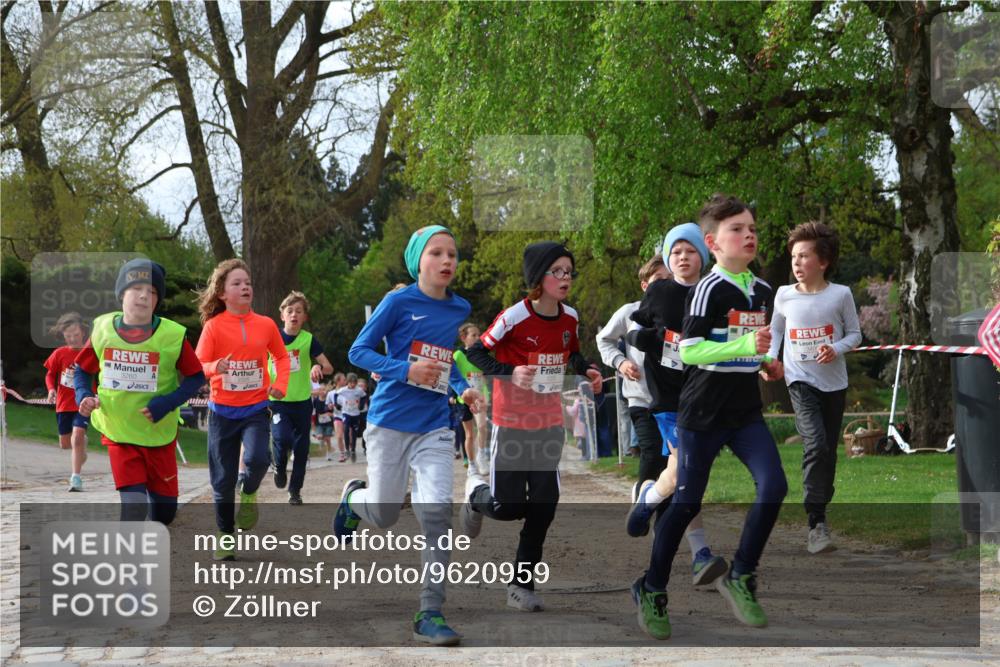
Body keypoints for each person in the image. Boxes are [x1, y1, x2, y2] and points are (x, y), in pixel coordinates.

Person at [631, 194, 787, 639]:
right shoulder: (706, 289)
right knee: (686, 503)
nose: (749, 235)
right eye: (738, 229)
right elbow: (692, 349)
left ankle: (741, 575)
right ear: (713, 243)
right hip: (701, 412)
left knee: (774, 484)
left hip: (744, 411)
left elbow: (752, 342)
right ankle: (653, 588)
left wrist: (766, 363)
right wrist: (745, 349)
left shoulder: (762, 290)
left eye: (752, 228)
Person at [333, 225, 482, 646]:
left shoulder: (458, 309)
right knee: (384, 515)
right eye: (436, 253)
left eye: (452, 254)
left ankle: (429, 611)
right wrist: (405, 370)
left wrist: (461, 388)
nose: (447, 261)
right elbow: (358, 352)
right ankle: (353, 500)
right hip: (389, 422)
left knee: (436, 515)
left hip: (434, 426)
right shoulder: (398, 301)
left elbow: (445, 361)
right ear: (418, 261)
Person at [462, 241, 603, 613]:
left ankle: (521, 584)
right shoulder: (514, 316)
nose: (566, 278)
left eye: (569, 271)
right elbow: (476, 352)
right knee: (507, 506)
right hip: (510, 423)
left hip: (549, 422)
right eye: (557, 271)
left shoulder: (570, 317)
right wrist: (511, 372)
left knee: (544, 504)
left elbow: (571, 352)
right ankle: (475, 495)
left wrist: (585, 368)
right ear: (538, 278)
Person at [625, 224, 727, 585]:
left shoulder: (713, 292)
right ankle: (700, 554)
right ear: (668, 258)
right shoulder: (659, 292)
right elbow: (636, 328)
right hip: (668, 397)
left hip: (705, 396)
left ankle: (648, 500)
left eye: (690, 251)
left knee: (684, 473)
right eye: (676, 252)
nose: (683, 258)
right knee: (689, 472)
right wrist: (646, 339)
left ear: (704, 254)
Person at [74, 259, 204, 523]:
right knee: (134, 506)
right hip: (119, 431)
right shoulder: (102, 330)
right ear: (122, 293)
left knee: (165, 514)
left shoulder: (172, 335)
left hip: (159, 434)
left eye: (153, 291)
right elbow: (81, 370)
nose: (144, 296)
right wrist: (83, 396)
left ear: (158, 300)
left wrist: (167, 402)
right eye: (137, 288)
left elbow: (196, 377)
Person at [768, 222, 860, 554]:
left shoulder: (841, 294)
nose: (796, 262)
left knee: (828, 452)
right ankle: (815, 520)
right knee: (817, 444)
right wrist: (769, 361)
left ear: (823, 262)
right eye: (794, 256)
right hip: (799, 381)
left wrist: (835, 348)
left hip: (834, 383)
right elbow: (775, 332)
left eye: (804, 256)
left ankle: (820, 512)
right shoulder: (784, 295)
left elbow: (855, 334)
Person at [195, 258, 290, 560]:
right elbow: (197, 367)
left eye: (247, 282)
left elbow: (282, 358)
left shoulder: (265, 324)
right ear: (222, 293)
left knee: (258, 459)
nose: (245, 287)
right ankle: (225, 536)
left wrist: (281, 384)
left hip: (255, 408)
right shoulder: (213, 327)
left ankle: (248, 491)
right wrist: (214, 366)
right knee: (221, 481)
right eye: (237, 283)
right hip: (222, 411)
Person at [595, 255, 669, 485]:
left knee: (672, 460)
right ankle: (642, 505)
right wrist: (621, 362)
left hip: (673, 398)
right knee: (652, 451)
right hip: (641, 398)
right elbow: (603, 339)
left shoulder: (681, 311)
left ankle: (664, 511)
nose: (666, 284)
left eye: (670, 278)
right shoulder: (629, 312)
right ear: (645, 285)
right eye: (659, 279)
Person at [269, 291, 334, 505]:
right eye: (290, 311)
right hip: (278, 401)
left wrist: (317, 366)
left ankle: (295, 491)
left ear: (304, 317)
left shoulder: (308, 340)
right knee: (283, 438)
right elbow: (258, 362)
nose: (294, 315)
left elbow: (328, 367)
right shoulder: (271, 338)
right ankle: (278, 464)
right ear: (282, 315)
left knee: (301, 448)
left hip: (302, 403)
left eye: (299, 311)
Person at [43, 312, 91, 491]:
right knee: (65, 444)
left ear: (83, 332)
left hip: (83, 403)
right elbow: (50, 374)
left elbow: (102, 374)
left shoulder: (90, 353)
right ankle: (81, 452)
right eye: (68, 336)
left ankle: (76, 479)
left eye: (76, 335)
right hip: (63, 404)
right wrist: (51, 389)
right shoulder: (60, 354)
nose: (72, 339)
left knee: (77, 436)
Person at [453, 322, 490, 475]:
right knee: (469, 434)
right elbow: (451, 377)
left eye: (478, 335)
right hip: (463, 400)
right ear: (464, 338)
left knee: (482, 426)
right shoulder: (457, 355)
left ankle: (481, 455)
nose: (477, 337)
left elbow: (484, 378)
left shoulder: (482, 354)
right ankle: (472, 464)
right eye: (473, 335)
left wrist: (487, 396)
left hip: (479, 396)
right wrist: (452, 396)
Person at [336, 373, 366, 463]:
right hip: (346, 413)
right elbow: (335, 395)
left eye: (354, 383)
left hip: (356, 413)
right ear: (347, 382)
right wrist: (336, 404)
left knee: (354, 432)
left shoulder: (359, 390)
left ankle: (353, 449)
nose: (352, 385)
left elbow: (364, 396)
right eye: (351, 383)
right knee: (346, 429)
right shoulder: (343, 390)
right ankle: (347, 449)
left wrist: (361, 405)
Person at [325, 373, 347, 462]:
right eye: (344, 379)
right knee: (339, 436)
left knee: (348, 436)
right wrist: (329, 406)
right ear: (338, 381)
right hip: (337, 416)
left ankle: (349, 450)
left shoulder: (348, 391)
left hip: (348, 416)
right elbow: (326, 406)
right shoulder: (331, 393)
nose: (346, 381)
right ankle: (342, 454)